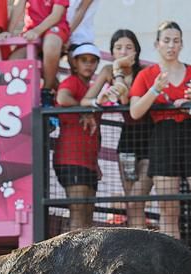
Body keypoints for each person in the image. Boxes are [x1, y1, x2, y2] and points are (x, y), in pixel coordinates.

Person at [129, 22, 191, 254]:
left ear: (182, 44)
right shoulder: (147, 75)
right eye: (166, 40)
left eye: (176, 41)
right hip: (162, 137)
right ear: (157, 44)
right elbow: (135, 111)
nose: (171, 45)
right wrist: (154, 90)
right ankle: (172, 268)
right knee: (168, 206)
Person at [85, 29, 152, 229]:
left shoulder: (144, 72)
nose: (123, 52)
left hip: (150, 138)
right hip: (127, 139)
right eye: (118, 47)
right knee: (131, 201)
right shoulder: (108, 71)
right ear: (112, 51)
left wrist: (118, 71)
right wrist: (99, 100)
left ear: (137, 51)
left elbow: (126, 98)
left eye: (129, 47)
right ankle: (136, 248)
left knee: (138, 198)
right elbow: (86, 99)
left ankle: (143, 244)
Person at [56, 43, 102, 231]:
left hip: (88, 161)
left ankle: (85, 259)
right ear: (74, 63)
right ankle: (73, 259)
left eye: (93, 61)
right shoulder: (72, 82)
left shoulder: (89, 87)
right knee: (77, 210)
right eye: (84, 60)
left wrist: (96, 163)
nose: (88, 65)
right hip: (70, 158)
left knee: (88, 212)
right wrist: (83, 111)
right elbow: (62, 98)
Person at [8, 0, 70, 94]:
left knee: (50, 45)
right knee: (14, 61)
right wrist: (8, 32)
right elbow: (18, 8)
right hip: (31, 31)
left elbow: (57, 15)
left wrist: (37, 31)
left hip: (55, 27)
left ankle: (47, 91)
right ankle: (25, 96)